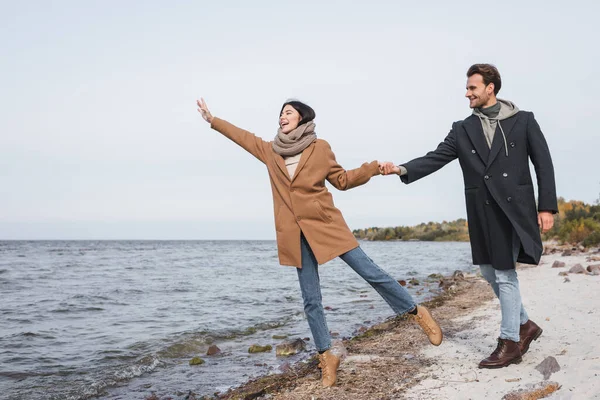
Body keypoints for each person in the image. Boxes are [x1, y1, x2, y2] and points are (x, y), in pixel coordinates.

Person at [197, 98, 442, 387]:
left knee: (371, 272)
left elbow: (342, 180)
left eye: (288, 113)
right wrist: (213, 120)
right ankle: (327, 356)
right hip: (294, 232)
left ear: (302, 118)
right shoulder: (270, 151)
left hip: (327, 226)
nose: (282, 117)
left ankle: (415, 312)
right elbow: (243, 137)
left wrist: (373, 167)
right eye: (280, 113)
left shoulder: (320, 147)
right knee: (311, 299)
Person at [381, 64, 557, 369]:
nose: (467, 93)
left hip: (513, 209)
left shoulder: (524, 121)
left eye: (472, 88)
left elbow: (544, 164)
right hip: (481, 210)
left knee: (505, 274)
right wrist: (401, 168)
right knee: (489, 273)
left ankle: (510, 341)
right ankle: (526, 325)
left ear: (490, 88)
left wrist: (547, 207)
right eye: (467, 88)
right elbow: (436, 157)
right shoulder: (462, 129)